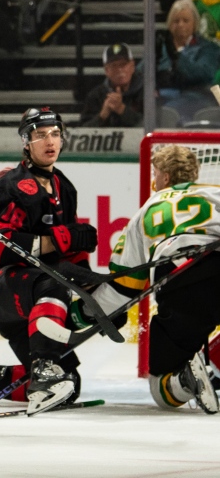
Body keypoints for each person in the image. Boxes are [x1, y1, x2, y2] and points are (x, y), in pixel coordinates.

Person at [0, 107, 97, 415]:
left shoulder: (66, 187)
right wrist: (59, 240)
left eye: (54, 134)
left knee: (69, 384)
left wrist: (94, 292)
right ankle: (43, 369)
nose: (49, 141)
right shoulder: (10, 184)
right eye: (40, 135)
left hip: (30, 292)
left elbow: (69, 250)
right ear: (26, 142)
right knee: (53, 285)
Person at [97, 144, 219, 414]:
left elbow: (125, 284)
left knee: (162, 390)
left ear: (164, 177)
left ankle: (188, 378)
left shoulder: (147, 210)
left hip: (182, 280)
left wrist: (89, 313)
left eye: (155, 173)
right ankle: (215, 367)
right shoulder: (215, 192)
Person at [154, 0, 220, 123]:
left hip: (197, 98)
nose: (181, 25)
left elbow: (204, 73)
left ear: (194, 23)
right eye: (176, 21)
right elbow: (143, 72)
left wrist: (177, 56)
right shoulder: (160, 48)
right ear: (169, 24)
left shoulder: (209, 48)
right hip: (163, 97)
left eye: (185, 20)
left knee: (168, 110)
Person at [80, 42, 144, 127]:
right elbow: (82, 131)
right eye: (114, 66)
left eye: (123, 64)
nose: (119, 70)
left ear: (132, 66)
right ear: (106, 70)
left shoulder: (146, 93)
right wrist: (102, 115)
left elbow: (155, 126)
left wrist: (122, 110)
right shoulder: (96, 96)